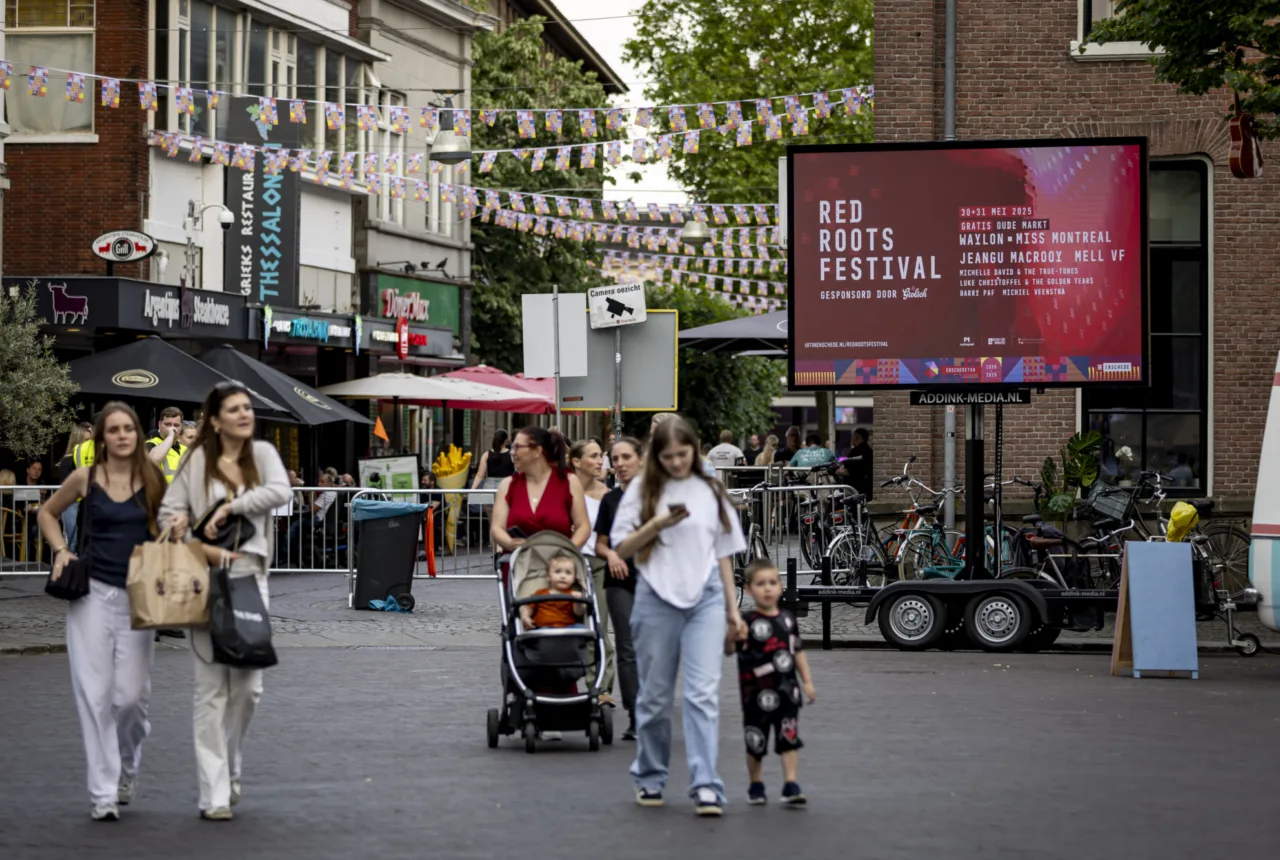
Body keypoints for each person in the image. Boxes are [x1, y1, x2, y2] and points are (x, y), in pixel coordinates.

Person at [159, 381, 291, 821]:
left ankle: (233, 765)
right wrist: (177, 521)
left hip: (251, 577)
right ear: (215, 419)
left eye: (247, 408)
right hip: (204, 578)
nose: (244, 414)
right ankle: (213, 791)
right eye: (234, 409)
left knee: (249, 689)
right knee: (211, 689)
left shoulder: (263, 455)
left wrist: (229, 508)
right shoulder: (197, 462)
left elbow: (280, 491)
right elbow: (167, 509)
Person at [36, 402, 166, 821]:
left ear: (138, 434)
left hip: (139, 597)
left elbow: (169, 526)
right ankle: (103, 793)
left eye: (129, 428)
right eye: (114, 429)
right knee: (95, 697)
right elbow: (48, 512)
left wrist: (176, 528)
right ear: (101, 437)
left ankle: (128, 767)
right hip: (91, 595)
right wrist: (61, 551)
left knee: (130, 700)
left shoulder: (153, 479)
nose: (123, 435)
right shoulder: (85, 478)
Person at [611, 415, 747, 817]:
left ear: (695, 448)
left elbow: (723, 552)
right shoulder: (642, 489)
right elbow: (622, 548)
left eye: (682, 454)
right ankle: (650, 775)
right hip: (656, 595)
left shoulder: (711, 489)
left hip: (704, 597)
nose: (675, 463)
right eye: (667, 456)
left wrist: (732, 611)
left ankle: (706, 784)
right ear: (657, 455)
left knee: (702, 694)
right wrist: (657, 523)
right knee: (654, 697)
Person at [728, 560, 816, 807]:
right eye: (760, 584)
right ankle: (756, 784)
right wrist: (732, 633)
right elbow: (728, 649)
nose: (767, 589)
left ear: (780, 587)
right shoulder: (746, 621)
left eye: (772, 583)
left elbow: (797, 651)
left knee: (789, 737)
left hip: (788, 691)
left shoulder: (788, 619)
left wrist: (807, 681)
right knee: (755, 741)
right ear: (748, 589)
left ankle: (791, 783)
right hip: (754, 695)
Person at [594, 437, 644, 740]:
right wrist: (611, 554)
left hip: (653, 582)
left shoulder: (656, 497)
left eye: (626, 457)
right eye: (615, 458)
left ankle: (652, 710)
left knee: (651, 649)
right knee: (627, 648)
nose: (620, 464)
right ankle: (636, 717)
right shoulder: (610, 500)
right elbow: (600, 543)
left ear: (640, 459)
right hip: (619, 580)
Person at [489, 426, 591, 553]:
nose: (511, 452)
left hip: (558, 567)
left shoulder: (569, 482)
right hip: (520, 566)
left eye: (517, 447)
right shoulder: (508, 485)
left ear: (537, 450)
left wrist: (567, 552)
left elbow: (583, 526)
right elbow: (497, 527)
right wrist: (510, 543)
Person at [571, 437, 615, 706]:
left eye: (601, 455)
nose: (601, 461)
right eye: (594, 456)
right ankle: (560, 686)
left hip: (597, 564)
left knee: (598, 626)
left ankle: (600, 688)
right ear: (576, 462)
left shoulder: (607, 495)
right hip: (567, 565)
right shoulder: (565, 491)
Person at [520, 552, 587, 629]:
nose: (563, 576)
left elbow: (579, 613)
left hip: (567, 629)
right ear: (548, 576)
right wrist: (525, 616)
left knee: (581, 627)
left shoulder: (572, 594)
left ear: (573, 579)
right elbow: (529, 607)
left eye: (568, 573)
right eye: (558, 572)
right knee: (542, 631)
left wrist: (578, 602)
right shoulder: (541, 593)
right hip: (545, 628)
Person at [146, 406, 187, 483]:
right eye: (168, 424)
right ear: (159, 424)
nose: (172, 428)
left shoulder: (185, 449)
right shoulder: (151, 444)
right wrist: (170, 435)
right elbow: (153, 460)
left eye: (176, 425)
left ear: (181, 426)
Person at [842, 427, 874, 499]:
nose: (851, 439)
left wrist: (837, 471)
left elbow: (849, 469)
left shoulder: (855, 452)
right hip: (868, 488)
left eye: (852, 436)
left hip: (856, 489)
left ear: (857, 436)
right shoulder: (869, 451)